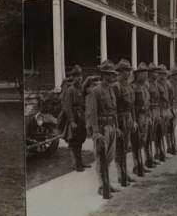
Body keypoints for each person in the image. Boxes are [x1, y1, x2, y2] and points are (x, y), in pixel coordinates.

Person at [86, 60, 120, 199]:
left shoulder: (111, 89)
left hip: (111, 126)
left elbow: (114, 110)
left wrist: (116, 126)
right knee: (101, 158)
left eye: (113, 74)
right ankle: (102, 186)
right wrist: (95, 131)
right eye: (110, 74)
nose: (113, 77)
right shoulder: (96, 90)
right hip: (101, 128)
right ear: (104, 74)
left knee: (109, 158)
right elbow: (92, 111)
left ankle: (107, 183)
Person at [58, 65, 89, 172]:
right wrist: (71, 121)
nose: (79, 78)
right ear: (73, 77)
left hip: (80, 118)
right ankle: (76, 165)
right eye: (77, 76)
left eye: (80, 76)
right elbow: (68, 107)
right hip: (73, 119)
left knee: (80, 141)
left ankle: (81, 163)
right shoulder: (70, 90)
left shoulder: (80, 89)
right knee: (73, 142)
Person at [112, 59, 138, 185]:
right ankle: (119, 175)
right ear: (119, 72)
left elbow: (131, 105)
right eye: (125, 71)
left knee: (126, 147)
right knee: (119, 148)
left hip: (128, 118)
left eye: (128, 71)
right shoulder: (116, 86)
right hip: (120, 119)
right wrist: (116, 125)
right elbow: (113, 107)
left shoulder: (128, 86)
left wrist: (133, 120)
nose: (127, 73)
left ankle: (125, 173)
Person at [131, 62, 152, 174]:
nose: (145, 75)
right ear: (137, 74)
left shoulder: (146, 86)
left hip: (146, 115)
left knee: (144, 140)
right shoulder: (133, 87)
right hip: (138, 116)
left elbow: (148, 102)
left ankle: (141, 164)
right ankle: (136, 165)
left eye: (146, 73)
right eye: (143, 73)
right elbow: (132, 105)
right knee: (137, 141)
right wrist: (133, 120)